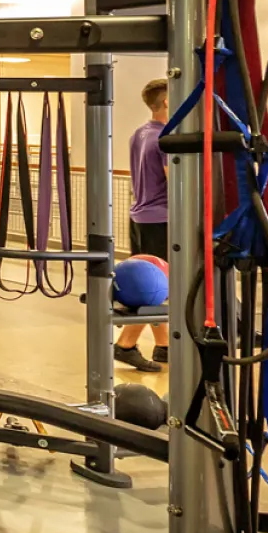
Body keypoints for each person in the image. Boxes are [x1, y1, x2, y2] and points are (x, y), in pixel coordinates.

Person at [118, 78, 172, 373]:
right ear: (166, 102)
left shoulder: (140, 134)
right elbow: (174, 180)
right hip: (160, 219)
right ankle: (125, 345)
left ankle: (164, 345)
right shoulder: (166, 137)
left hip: (139, 216)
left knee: (157, 284)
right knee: (155, 287)